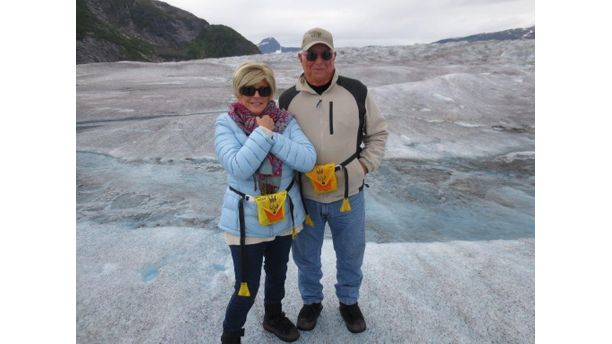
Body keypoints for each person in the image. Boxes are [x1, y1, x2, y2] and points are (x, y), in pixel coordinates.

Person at [279, 28, 388, 334]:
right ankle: (312, 301)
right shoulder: (288, 99)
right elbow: (279, 144)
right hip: (307, 196)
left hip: (348, 194)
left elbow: (377, 134)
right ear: (301, 59)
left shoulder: (356, 91)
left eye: (325, 54)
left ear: (334, 56)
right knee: (305, 256)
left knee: (351, 252)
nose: (318, 60)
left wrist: (363, 167)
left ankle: (349, 301)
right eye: (311, 54)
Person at [215, 62, 316, 343]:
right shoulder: (226, 123)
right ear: (238, 91)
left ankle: (273, 317)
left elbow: (307, 160)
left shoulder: (285, 120)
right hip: (246, 221)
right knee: (246, 286)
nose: (256, 95)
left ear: (272, 91)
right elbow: (238, 167)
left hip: (281, 217)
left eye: (263, 88)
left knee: (278, 274)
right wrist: (263, 134)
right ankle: (231, 334)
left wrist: (270, 134)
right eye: (248, 89)